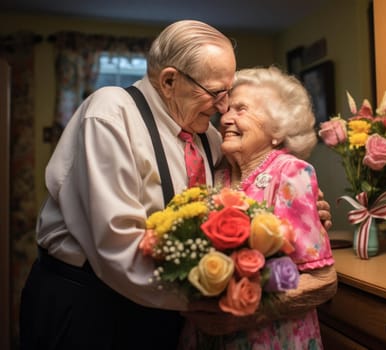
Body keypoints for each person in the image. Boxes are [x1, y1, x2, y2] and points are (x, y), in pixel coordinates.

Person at [20, 20, 332, 349]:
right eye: (216, 93)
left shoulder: (207, 137)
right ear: (170, 81)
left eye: (230, 94)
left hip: (161, 310)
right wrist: (220, 303)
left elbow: (250, 188)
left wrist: (304, 210)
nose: (223, 108)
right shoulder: (110, 114)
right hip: (89, 304)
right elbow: (116, 244)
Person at [179, 66, 337, 349]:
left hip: (272, 336)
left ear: (278, 130)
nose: (226, 118)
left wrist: (246, 311)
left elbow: (323, 279)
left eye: (241, 110)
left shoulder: (290, 173)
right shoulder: (214, 176)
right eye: (226, 110)